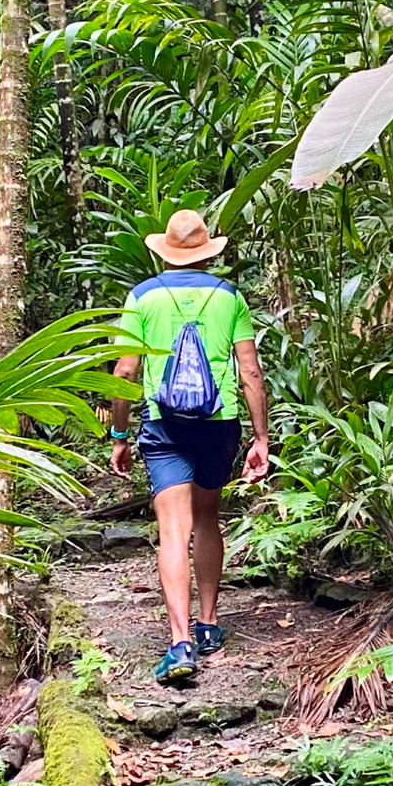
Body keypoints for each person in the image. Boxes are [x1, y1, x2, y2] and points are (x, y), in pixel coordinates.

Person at [108, 209, 270, 685]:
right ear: (206, 252)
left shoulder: (142, 297)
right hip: (219, 424)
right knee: (207, 517)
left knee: (173, 529)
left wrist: (119, 434)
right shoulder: (229, 297)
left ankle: (179, 643)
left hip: (165, 425)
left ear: (166, 252)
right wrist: (260, 437)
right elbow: (250, 371)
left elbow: (125, 371)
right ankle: (209, 623)